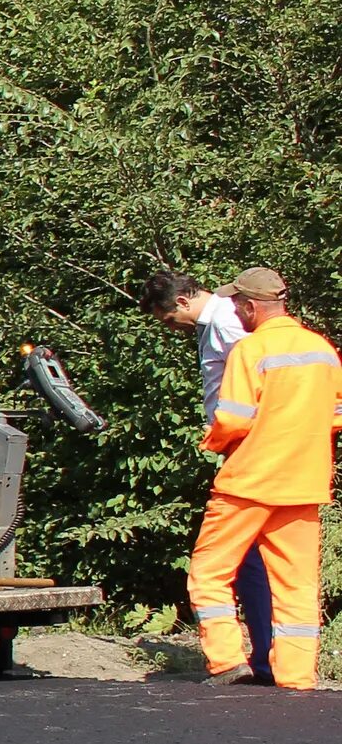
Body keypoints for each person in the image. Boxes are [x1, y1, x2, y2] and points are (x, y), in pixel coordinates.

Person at [187, 266, 340, 690]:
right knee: (296, 584)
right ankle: (296, 678)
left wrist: (213, 442)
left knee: (209, 572)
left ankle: (225, 661)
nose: (235, 311)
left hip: (250, 481)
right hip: (304, 482)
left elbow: (233, 419)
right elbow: (335, 417)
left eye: (237, 304)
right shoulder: (323, 349)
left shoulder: (251, 350)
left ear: (252, 306)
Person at [143, 268, 271, 676]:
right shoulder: (217, 321)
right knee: (254, 555)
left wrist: (236, 429)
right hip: (250, 445)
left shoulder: (226, 321)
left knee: (236, 556)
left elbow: (262, 371)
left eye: (168, 319)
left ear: (181, 302)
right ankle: (266, 658)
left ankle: (255, 657)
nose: (171, 327)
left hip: (251, 447)